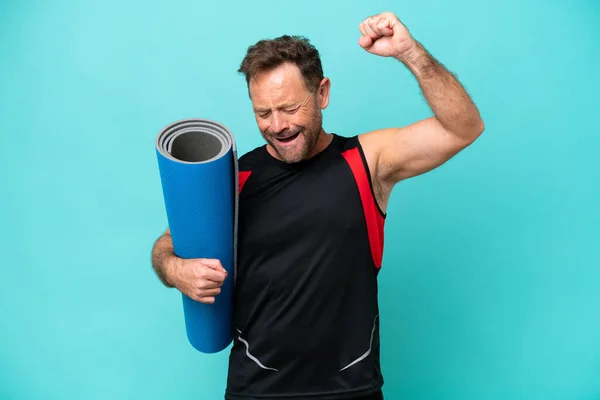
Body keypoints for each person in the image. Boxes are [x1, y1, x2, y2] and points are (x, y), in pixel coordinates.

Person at [151, 11, 484, 400]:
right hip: (255, 390)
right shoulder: (236, 178)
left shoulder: (367, 161)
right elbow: (168, 245)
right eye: (263, 113)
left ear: (322, 93)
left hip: (350, 390)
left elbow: (463, 127)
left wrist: (409, 53)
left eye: (290, 109)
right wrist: (176, 270)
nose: (277, 125)